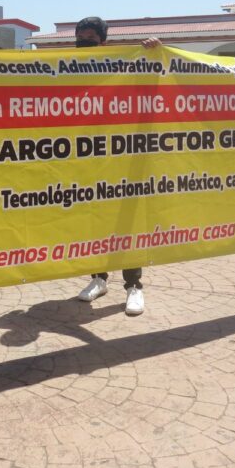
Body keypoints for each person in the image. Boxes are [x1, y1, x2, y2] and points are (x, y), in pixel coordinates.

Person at [73, 16, 161, 316]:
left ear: (103, 41)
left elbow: (152, 76)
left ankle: (134, 286)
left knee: (128, 221)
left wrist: (153, 51)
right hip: (87, 158)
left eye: (89, 37)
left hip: (123, 157)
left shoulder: (121, 64)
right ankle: (98, 279)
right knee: (94, 222)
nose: (84, 42)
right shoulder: (65, 66)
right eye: (80, 37)